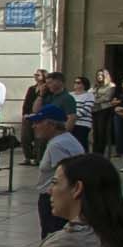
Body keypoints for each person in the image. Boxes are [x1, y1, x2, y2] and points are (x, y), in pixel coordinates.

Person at [31, 100, 85, 237]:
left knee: (51, 236)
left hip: (55, 200)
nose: (34, 126)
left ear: (51, 124)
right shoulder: (65, 140)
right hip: (60, 199)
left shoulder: (58, 145)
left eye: (38, 122)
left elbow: (62, 176)